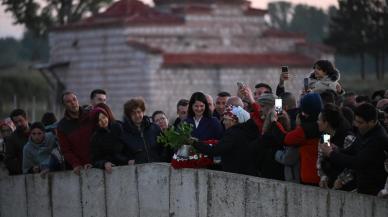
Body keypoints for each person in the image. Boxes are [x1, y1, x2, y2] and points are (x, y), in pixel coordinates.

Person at [320, 103, 388, 195]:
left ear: (372, 122)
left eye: (360, 122)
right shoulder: (364, 131)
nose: (356, 125)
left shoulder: (378, 138)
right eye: (356, 121)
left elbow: (357, 162)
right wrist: (337, 150)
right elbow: (352, 150)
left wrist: (331, 154)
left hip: (373, 189)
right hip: (361, 186)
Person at [270, 93, 324, 185]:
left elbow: (285, 139)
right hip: (323, 175)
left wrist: (274, 122)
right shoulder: (324, 127)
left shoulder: (305, 130)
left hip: (309, 177)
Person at [192, 105, 259, 176]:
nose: (223, 122)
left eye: (226, 119)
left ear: (234, 121)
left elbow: (215, 150)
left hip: (237, 175)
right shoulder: (247, 132)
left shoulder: (233, 134)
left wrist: (194, 142)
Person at [57, 91, 98, 175]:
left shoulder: (90, 115)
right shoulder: (62, 126)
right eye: (68, 101)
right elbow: (66, 150)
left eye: (74, 99)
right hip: (80, 169)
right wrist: (76, 163)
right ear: (64, 105)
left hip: (97, 163)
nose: (73, 103)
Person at [316, 103, 356, 190]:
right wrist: (323, 177)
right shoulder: (325, 137)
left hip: (347, 187)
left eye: (319, 120)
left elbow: (353, 164)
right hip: (330, 185)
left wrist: (341, 180)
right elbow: (321, 159)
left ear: (326, 123)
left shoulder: (347, 137)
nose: (317, 122)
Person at [121, 97, 165, 164]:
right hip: (136, 171)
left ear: (143, 112)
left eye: (139, 112)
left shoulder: (154, 128)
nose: (137, 115)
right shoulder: (124, 132)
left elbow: (164, 148)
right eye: (133, 113)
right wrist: (127, 161)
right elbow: (119, 153)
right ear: (129, 116)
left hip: (157, 168)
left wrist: (160, 160)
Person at [91, 103, 131, 173]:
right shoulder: (95, 138)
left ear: (107, 116)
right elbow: (95, 160)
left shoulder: (119, 127)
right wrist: (104, 163)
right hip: (111, 170)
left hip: (127, 165)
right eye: (99, 120)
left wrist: (129, 160)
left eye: (104, 117)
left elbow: (128, 145)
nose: (103, 121)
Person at [4, 109, 30, 175]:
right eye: (16, 122)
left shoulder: (38, 131)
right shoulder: (11, 139)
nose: (19, 124)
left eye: (20, 120)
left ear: (26, 119)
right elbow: (9, 160)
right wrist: (24, 170)